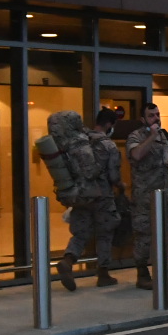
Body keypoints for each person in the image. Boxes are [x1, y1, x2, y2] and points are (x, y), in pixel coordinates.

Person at [58, 107, 123, 290]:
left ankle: (68, 260)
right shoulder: (109, 145)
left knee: (80, 233)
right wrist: (121, 186)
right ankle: (103, 274)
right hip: (102, 197)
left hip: (81, 195)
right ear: (109, 124)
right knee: (105, 234)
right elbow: (114, 176)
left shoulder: (80, 140)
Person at [127, 102, 168, 291]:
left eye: (158, 114)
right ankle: (142, 273)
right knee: (144, 235)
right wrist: (152, 136)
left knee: (167, 233)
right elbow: (136, 155)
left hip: (164, 196)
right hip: (144, 197)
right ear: (143, 119)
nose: (156, 118)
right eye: (152, 115)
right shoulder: (135, 136)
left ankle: (166, 272)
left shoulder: (165, 136)